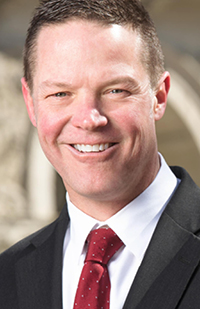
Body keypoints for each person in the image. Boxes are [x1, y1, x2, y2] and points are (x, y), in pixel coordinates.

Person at [1, 0, 200, 308]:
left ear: (158, 97)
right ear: (31, 103)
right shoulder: (7, 278)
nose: (89, 119)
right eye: (60, 94)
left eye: (115, 90)